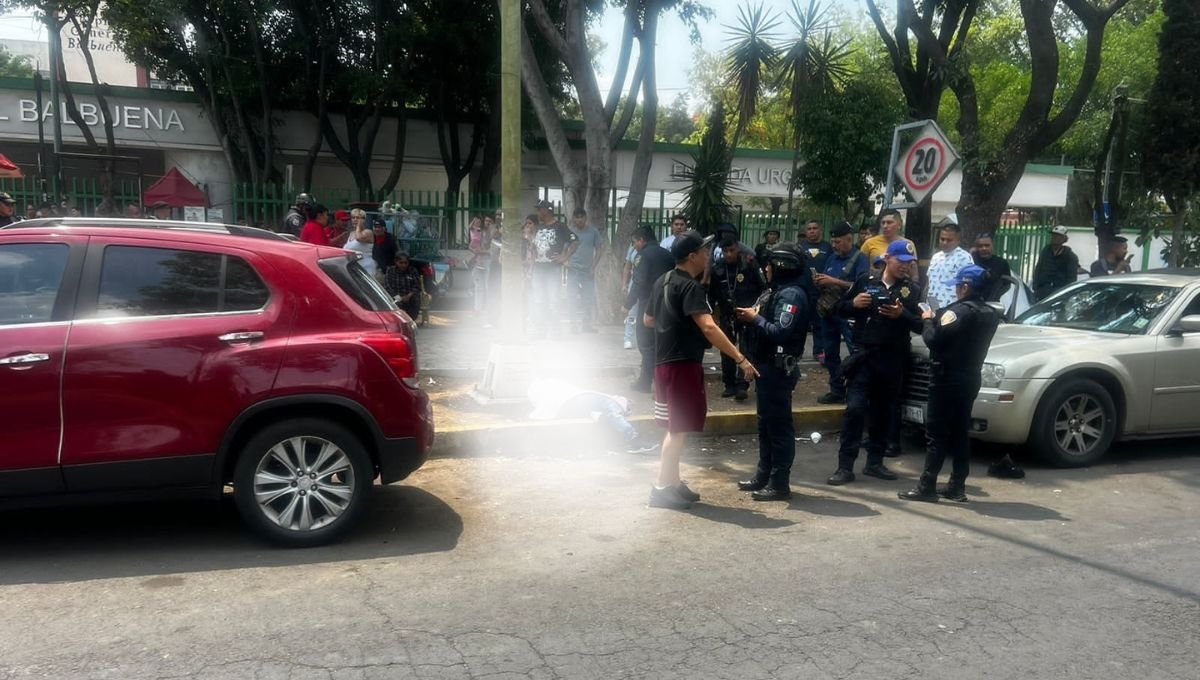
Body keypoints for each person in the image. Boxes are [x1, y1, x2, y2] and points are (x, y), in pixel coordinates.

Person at [644, 230, 759, 510]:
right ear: (692, 257)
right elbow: (709, 327)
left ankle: (672, 483)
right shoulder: (691, 287)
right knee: (678, 429)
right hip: (681, 364)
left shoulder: (663, 281)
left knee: (676, 428)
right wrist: (741, 358)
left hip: (665, 364)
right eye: (705, 251)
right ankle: (661, 487)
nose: (709, 256)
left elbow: (648, 320)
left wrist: (674, 325)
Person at [899, 264, 1000, 503]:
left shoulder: (958, 312)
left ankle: (927, 486)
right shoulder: (989, 313)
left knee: (936, 433)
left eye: (957, 285)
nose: (955, 290)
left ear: (965, 287)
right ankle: (957, 485)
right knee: (959, 432)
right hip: (970, 378)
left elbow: (933, 339)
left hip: (946, 379)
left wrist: (927, 319)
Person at [827, 238, 923, 486]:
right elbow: (839, 309)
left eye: (909, 263)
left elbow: (921, 326)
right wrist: (854, 304)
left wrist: (903, 314)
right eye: (901, 261)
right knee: (855, 410)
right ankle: (844, 466)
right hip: (865, 357)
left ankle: (875, 462)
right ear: (888, 258)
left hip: (893, 359)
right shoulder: (865, 282)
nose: (905, 267)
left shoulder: (911, 290)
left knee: (884, 413)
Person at [734, 243, 809, 501]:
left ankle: (779, 483)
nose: (766, 269)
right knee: (765, 425)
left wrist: (755, 318)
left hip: (779, 369)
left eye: (770, 265)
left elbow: (781, 331)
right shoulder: (775, 291)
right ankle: (763, 475)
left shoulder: (791, 295)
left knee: (778, 427)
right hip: (766, 367)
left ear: (781, 267)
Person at [527, 379, 658, 455]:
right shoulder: (612, 402)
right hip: (573, 401)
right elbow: (615, 415)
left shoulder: (600, 399)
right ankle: (636, 442)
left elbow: (595, 414)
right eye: (629, 407)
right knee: (610, 416)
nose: (630, 409)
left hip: (570, 402)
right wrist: (631, 434)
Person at [815, 222, 869, 404]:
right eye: (833, 242)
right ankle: (836, 389)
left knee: (855, 351)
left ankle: (855, 388)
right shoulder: (832, 258)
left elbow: (861, 286)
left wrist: (834, 281)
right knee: (830, 353)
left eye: (838, 242)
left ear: (849, 239)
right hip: (829, 311)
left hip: (849, 313)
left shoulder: (860, 258)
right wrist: (822, 281)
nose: (835, 245)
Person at [708, 236, 766, 401]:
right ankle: (729, 384)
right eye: (725, 251)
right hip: (727, 315)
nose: (728, 254)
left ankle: (743, 385)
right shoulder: (717, 268)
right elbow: (711, 294)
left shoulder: (749, 265)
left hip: (747, 314)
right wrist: (713, 313)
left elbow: (763, 289)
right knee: (726, 349)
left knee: (746, 350)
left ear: (738, 249)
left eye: (731, 250)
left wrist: (756, 311)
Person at [624, 226, 674, 392]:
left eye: (635, 242)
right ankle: (654, 382)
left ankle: (649, 383)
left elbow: (638, 282)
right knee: (661, 344)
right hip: (667, 304)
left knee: (646, 344)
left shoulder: (642, 255)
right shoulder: (668, 254)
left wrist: (627, 304)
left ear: (642, 240)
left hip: (648, 304)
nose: (634, 246)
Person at [530, 200, 574, 338]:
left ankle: (555, 330)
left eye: (539, 210)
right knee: (538, 299)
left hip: (552, 269)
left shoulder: (560, 226)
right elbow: (534, 248)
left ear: (546, 211)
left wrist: (564, 256)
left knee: (553, 300)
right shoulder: (539, 227)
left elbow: (575, 240)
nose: (538, 213)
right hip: (538, 268)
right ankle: (540, 329)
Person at [564, 207, 604, 333]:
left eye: (582, 217)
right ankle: (573, 326)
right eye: (577, 217)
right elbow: (563, 248)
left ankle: (586, 325)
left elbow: (599, 249)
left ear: (586, 218)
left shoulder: (593, 232)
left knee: (589, 298)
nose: (579, 220)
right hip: (573, 270)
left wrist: (593, 267)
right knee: (571, 298)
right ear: (574, 219)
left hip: (588, 271)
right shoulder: (570, 231)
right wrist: (565, 261)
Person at [800, 219, 832, 360]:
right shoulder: (799, 247)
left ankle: (819, 352)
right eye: (809, 228)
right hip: (804, 292)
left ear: (820, 230)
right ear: (805, 231)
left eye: (815, 228)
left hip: (822, 292)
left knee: (820, 324)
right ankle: (797, 352)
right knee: (800, 324)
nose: (812, 231)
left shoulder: (828, 247)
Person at [926, 222, 974, 309]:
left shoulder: (964, 258)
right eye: (942, 239)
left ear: (958, 240)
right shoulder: (935, 257)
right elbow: (929, 282)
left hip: (952, 308)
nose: (944, 242)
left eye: (949, 240)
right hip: (932, 306)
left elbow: (967, 286)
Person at [1031, 226, 1079, 301]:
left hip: (1059, 294)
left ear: (1064, 239)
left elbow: (1071, 279)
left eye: (1058, 236)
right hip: (1042, 292)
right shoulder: (1045, 251)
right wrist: (1036, 287)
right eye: (1054, 236)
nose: (1055, 238)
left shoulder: (1070, 256)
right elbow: (1038, 269)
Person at [972, 233, 1012, 302]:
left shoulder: (1001, 263)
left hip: (992, 304)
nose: (984, 248)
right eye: (980, 246)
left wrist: (995, 296)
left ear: (992, 246)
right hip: (971, 303)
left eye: (987, 245)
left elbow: (1007, 285)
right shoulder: (971, 261)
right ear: (976, 248)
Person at [467, 215, 491, 322]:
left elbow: (493, 250)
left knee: (487, 286)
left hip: (488, 261)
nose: (487, 223)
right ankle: (477, 309)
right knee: (478, 287)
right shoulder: (477, 231)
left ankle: (488, 309)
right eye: (486, 221)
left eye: (490, 221)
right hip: (478, 261)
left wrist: (482, 252)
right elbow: (470, 246)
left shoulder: (493, 234)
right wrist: (474, 251)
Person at [385, 251, 423, 320]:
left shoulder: (412, 270)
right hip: (396, 297)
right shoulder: (390, 270)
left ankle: (412, 319)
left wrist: (409, 295)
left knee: (416, 297)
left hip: (409, 296)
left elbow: (417, 285)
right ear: (396, 262)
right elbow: (388, 287)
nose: (403, 265)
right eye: (401, 263)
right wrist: (399, 298)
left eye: (405, 263)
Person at [344, 208, 376, 277]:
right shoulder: (351, 234)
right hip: (354, 268)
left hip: (366, 268)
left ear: (363, 220)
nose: (355, 219)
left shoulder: (368, 232)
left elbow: (359, 238)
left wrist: (358, 226)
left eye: (358, 218)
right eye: (353, 217)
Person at [371, 216, 398, 282]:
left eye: (380, 227)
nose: (377, 229)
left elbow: (396, 254)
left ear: (384, 228)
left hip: (386, 270)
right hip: (372, 267)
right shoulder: (370, 237)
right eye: (376, 227)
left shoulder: (391, 239)